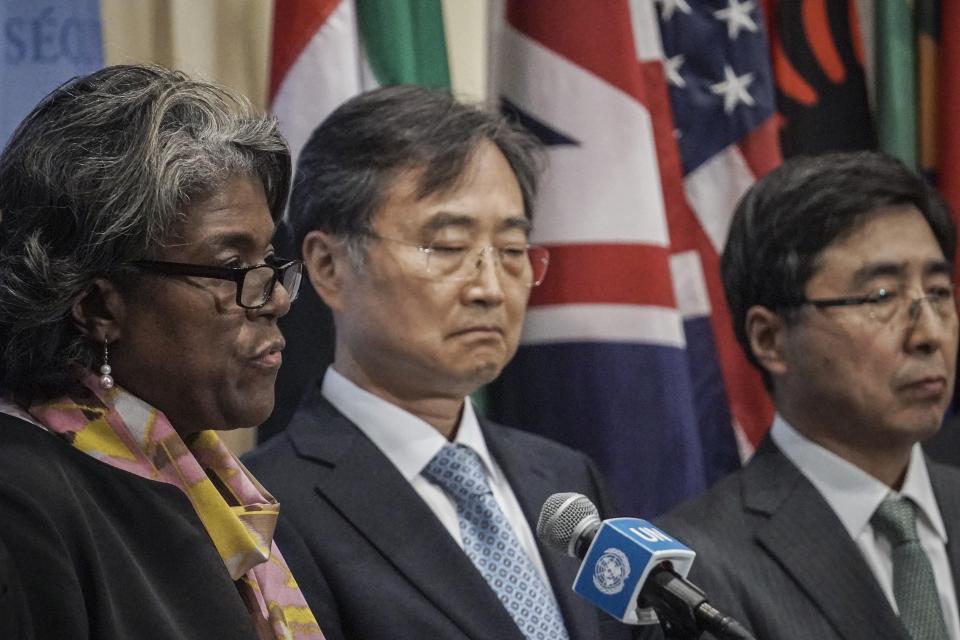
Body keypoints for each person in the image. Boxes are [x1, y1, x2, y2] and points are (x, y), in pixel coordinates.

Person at [243, 85, 631, 640]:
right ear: (328, 267)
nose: (491, 289)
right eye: (448, 248)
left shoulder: (567, 483)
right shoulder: (268, 510)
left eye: (513, 251)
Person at [0, 64, 324, 639]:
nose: (276, 297)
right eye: (233, 269)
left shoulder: (218, 492)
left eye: (270, 262)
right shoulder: (20, 504)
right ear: (100, 305)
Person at [654, 151, 960, 640]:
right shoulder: (694, 574)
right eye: (882, 297)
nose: (929, 334)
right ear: (771, 340)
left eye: (939, 292)